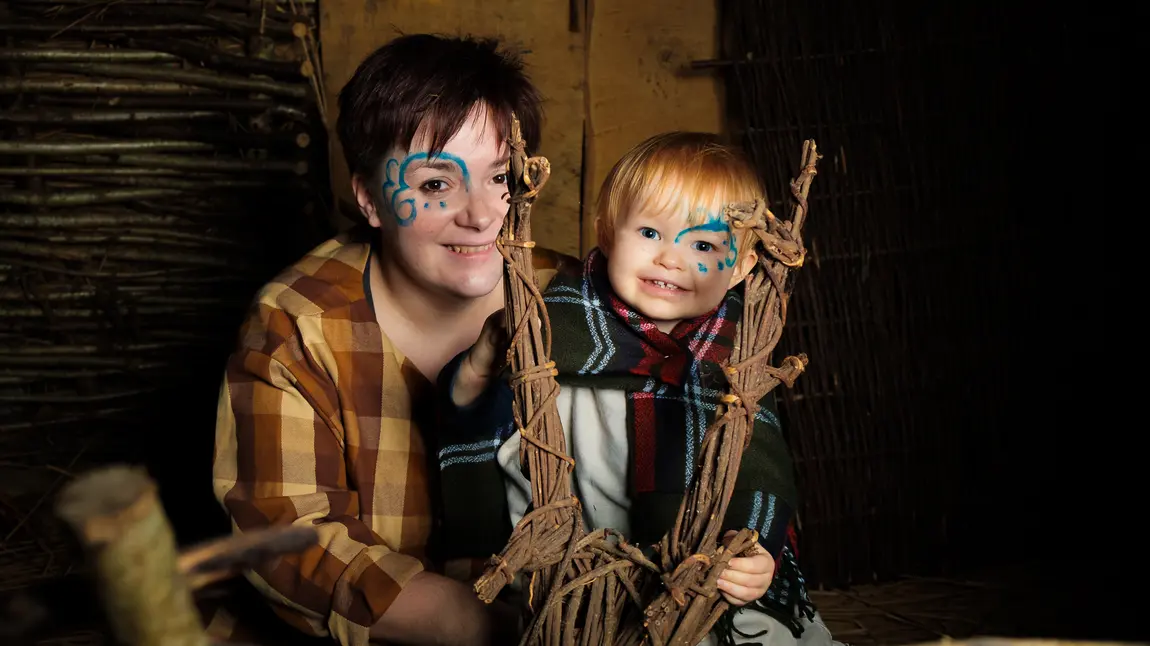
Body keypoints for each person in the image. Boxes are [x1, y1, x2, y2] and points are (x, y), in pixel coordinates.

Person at [210, 33, 577, 646]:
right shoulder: (298, 322)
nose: (483, 214)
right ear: (370, 199)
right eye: (436, 185)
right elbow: (287, 535)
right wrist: (478, 623)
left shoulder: (576, 303)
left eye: (500, 177)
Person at [434, 132, 840, 645]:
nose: (670, 259)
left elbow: (760, 468)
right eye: (650, 232)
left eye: (703, 245)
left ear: (741, 266)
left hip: (689, 577)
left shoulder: (740, 357)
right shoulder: (551, 324)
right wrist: (476, 370)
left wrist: (753, 551)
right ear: (606, 233)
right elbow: (480, 420)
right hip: (576, 575)